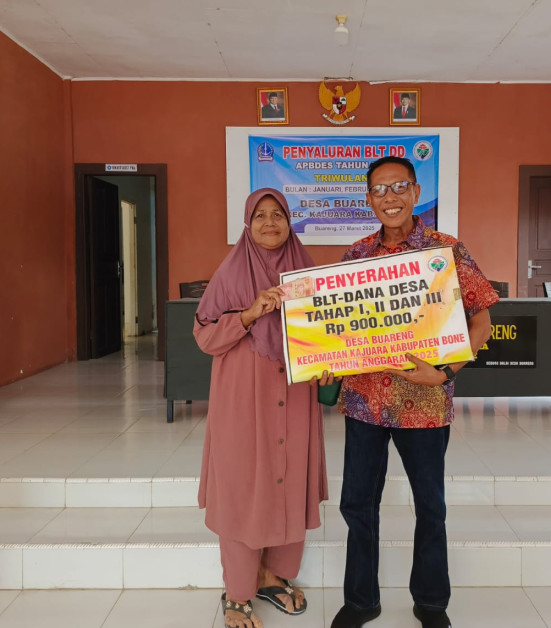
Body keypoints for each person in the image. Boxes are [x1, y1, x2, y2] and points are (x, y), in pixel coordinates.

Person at [330, 157, 499, 628]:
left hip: (424, 403)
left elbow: (482, 322)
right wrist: (325, 361)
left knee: (430, 505)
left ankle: (431, 602)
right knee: (357, 505)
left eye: (399, 187)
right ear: (368, 199)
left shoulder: (446, 251)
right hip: (364, 401)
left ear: (416, 191)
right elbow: (337, 330)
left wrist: (445, 373)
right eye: (379, 190)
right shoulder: (356, 256)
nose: (390, 198)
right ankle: (361, 601)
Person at [194, 188, 329, 628]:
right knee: (242, 483)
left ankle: (273, 575)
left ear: (289, 222)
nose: (270, 223)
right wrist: (249, 314)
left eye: (278, 215)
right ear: (247, 225)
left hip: (295, 392)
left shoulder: (307, 272)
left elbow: (329, 332)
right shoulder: (229, 275)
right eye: (260, 216)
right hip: (242, 396)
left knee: (289, 476)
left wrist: (331, 364)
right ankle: (238, 592)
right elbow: (205, 337)